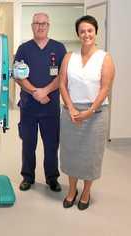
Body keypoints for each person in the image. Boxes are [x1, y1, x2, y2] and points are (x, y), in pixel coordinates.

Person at [59, 15, 115, 210]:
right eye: (82, 31)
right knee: (70, 152)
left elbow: (105, 88)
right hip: (71, 113)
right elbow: (62, 84)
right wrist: (72, 107)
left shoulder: (105, 58)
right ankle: (72, 189)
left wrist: (90, 111)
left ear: (95, 32)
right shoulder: (69, 57)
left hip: (96, 115)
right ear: (78, 34)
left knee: (91, 155)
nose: (86, 34)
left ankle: (86, 191)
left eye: (90, 30)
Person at [14, 13, 66, 192]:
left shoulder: (58, 49)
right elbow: (18, 75)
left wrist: (45, 91)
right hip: (29, 106)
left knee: (51, 144)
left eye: (44, 23)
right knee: (28, 143)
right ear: (32, 26)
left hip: (50, 107)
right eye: (37, 23)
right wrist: (35, 92)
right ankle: (28, 177)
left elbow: (62, 75)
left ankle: (52, 177)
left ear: (48, 25)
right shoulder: (24, 49)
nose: (40, 26)